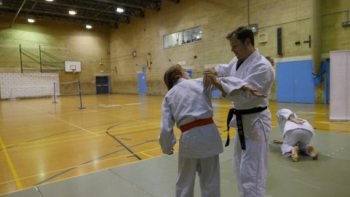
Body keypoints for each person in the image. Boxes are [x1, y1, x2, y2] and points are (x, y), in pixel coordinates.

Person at [204, 26, 275, 197]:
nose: (232, 49)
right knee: (239, 167)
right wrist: (214, 70)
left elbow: (242, 96)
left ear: (248, 42)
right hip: (243, 121)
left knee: (252, 173)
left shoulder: (263, 67)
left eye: (235, 45)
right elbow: (226, 70)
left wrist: (218, 83)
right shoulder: (238, 60)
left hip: (256, 123)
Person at [159, 64, 224, 197]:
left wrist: (167, 147)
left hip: (190, 140)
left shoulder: (169, 96)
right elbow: (219, 81)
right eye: (185, 72)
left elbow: (165, 128)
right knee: (211, 182)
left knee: (184, 184)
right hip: (209, 136)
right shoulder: (199, 82)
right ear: (179, 75)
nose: (188, 74)